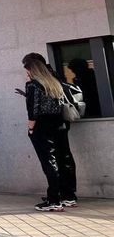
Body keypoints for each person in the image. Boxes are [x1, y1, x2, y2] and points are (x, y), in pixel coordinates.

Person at [22, 53, 79, 208]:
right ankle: (69, 195)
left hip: (43, 126)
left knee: (49, 161)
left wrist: (30, 128)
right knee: (65, 158)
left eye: (27, 71)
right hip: (59, 124)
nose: (26, 74)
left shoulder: (33, 85)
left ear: (33, 70)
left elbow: (33, 111)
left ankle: (53, 199)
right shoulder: (54, 82)